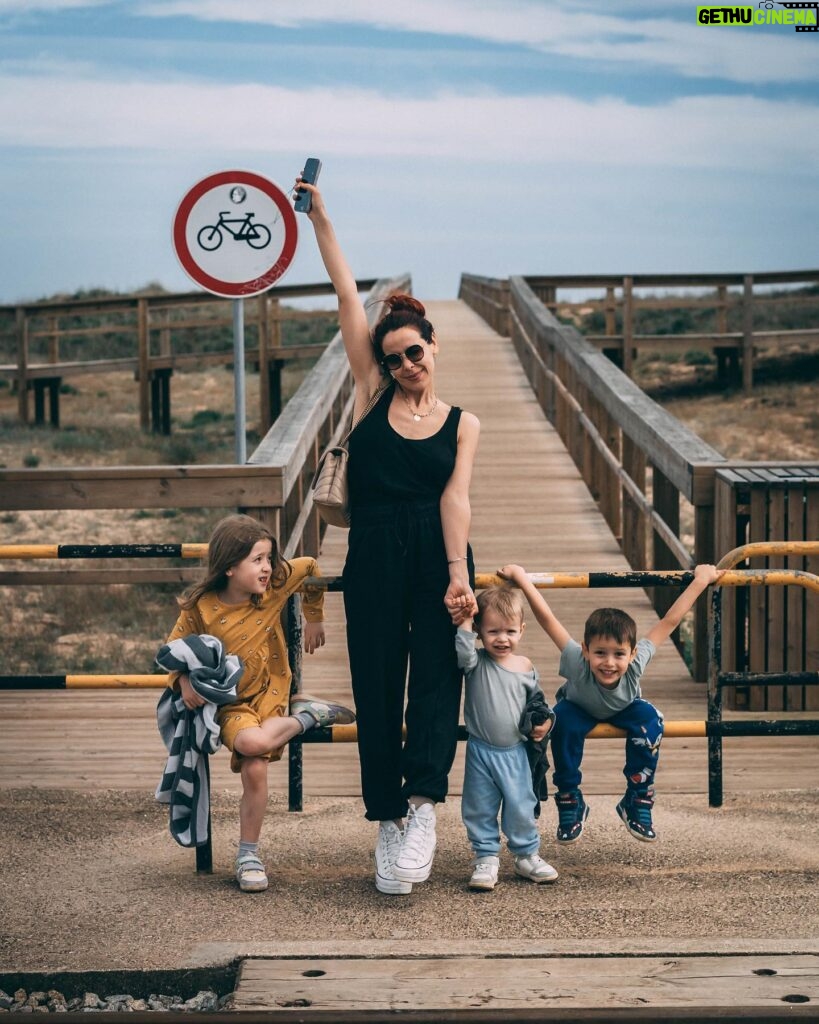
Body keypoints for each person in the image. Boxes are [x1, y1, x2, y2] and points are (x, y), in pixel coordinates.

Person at [297, 172, 481, 895]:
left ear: (433, 346)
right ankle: (386, 818)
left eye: (416, 352)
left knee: (436, 683)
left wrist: (459, 574)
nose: (407, 364)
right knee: (375, 682)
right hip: (372, 547)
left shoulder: (464, 422)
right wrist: (321, 219)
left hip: (437, 554)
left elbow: (456, 500)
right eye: (395, 355)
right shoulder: (373, 395)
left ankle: (423, 806)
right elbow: (347, 296)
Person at [165, 513, 354, 893]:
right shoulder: (200, 607)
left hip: (270, 695)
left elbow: (311, 567)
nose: (268, 568)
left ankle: (248, 854)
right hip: (232, 704)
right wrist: (183, 679)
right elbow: (174, 651)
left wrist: (313, 617)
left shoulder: (274, 588)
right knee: (252, 745)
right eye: (258, 560)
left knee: (255, 767)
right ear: (230, 567)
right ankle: (310, 716)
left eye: (269, 558)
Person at [498, 563, 723, 844]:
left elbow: (670, 621)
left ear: (632, 655)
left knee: (651, 720)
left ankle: (637, 798)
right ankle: (570, 797)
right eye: (600, 653)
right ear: (585, 650)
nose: (609, 662)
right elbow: (547, 618)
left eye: (619, 654)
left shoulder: (636, 664)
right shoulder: (576, 661)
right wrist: (521, 577)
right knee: (560, 719)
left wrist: (701, 580)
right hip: (579, 708)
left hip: (626, 708)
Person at [456, 584, 558, 891]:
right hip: (481, 750)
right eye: (493, 632)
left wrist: (544, 724)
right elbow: (461, 653)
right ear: (479, 632)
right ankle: (485, 857)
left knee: (520, 804)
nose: (502, 639)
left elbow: (538, 704)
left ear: (522, 630)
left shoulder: (525, 666)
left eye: (510, 631)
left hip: (515, 750)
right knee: (479, 805)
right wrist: (464, 619)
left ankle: (527, 854)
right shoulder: (476, 663)